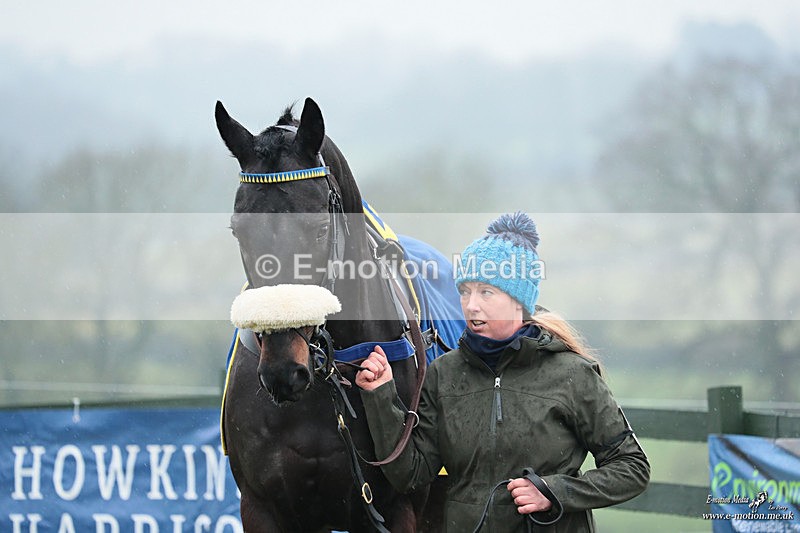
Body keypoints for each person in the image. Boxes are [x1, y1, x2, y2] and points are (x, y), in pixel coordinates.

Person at [355, 212, 650, 532]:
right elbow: (410, 474)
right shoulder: (444, 374)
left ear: (518, 300)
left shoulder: (572, 374)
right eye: (465, 291)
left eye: (486, 292)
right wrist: (380, 396)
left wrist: (556, 491)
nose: (470, 305)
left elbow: (631, 468)